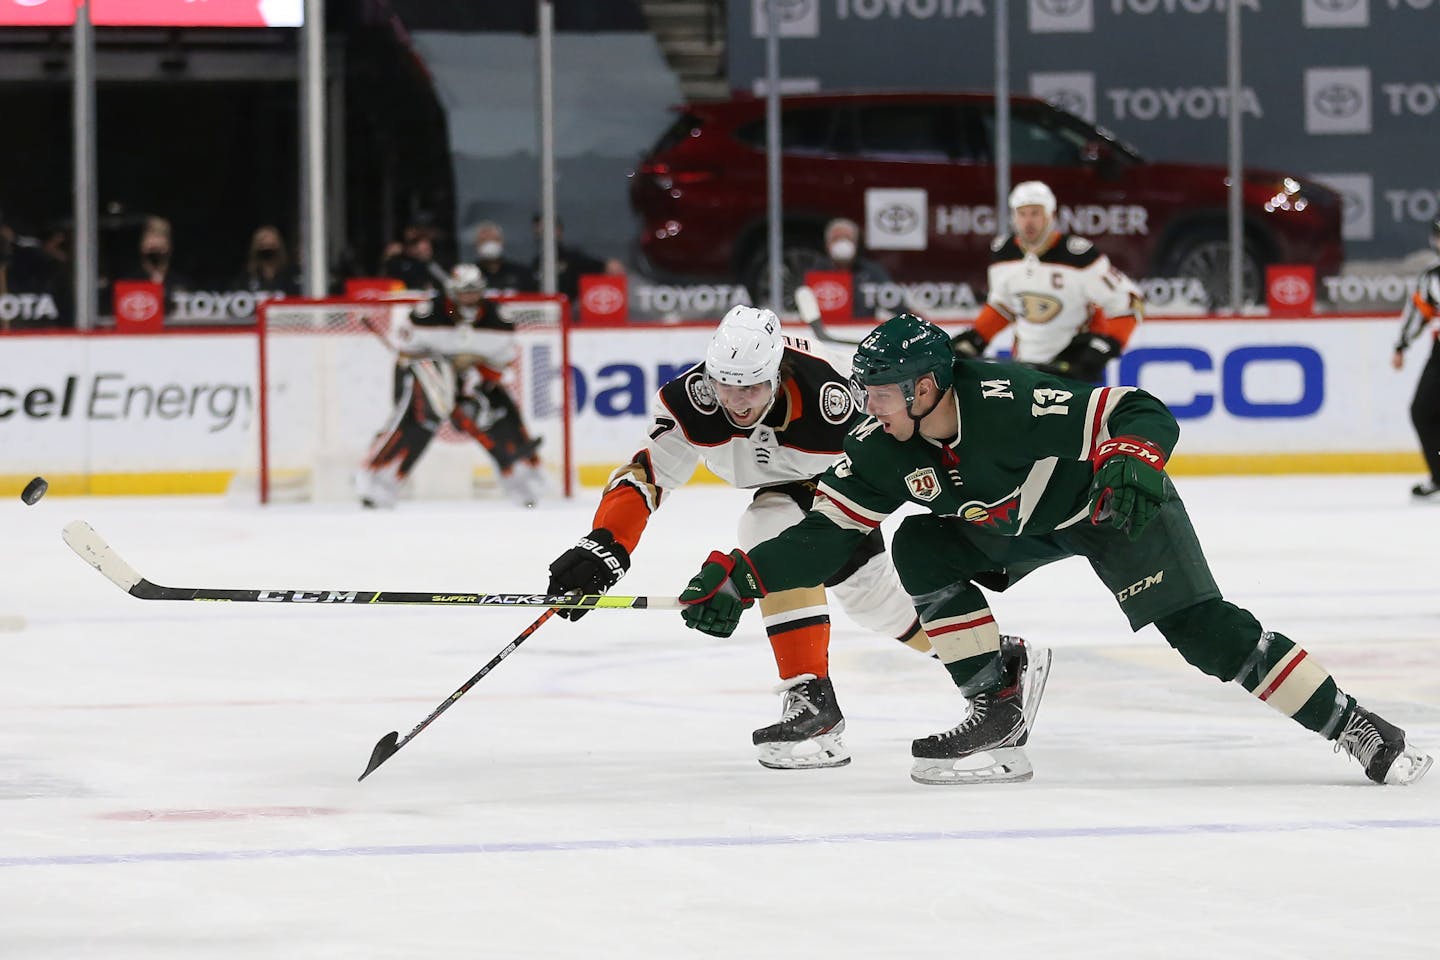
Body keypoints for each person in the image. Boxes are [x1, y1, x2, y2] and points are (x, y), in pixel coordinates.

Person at [677, 312, 1433, 787]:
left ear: (928, 387)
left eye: (879, 393)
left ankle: (1357, 725)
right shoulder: (881, 444)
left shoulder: (1008, 401)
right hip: (1016, 526)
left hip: (1110, 508)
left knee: (1206, 636)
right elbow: (827, 532)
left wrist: (1134, 455)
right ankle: (995, 706)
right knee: (919, 543)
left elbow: (1137, 408)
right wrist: (749, 576)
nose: (865, 408)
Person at [545, 305, 932, 769]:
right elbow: (648, 474)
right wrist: (606, 544)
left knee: (781, 536)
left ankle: (823, 697)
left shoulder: (832, 396)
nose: (737, 401)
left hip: (842, 488)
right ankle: (986, 659)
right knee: (874, 604)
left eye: (751, 387)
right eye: (725, 385)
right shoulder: (689, 400)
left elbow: (903, 457)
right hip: (782, 490)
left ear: (777, 374)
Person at [354, 263, 546, 509]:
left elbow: (502, 363)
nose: (470, 296)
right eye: (464, 291)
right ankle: (377, 483)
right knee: (420, 420)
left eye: (474, 290)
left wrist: (475, 373)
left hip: (475, 376)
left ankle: (524, 483)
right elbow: (406, 354)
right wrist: (440, 367)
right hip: (427, 376)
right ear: (452, 291)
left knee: (500, 413)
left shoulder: (498, 318)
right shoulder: (427, 313)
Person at [951, 181, 1143, 384]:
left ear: (1051, 215)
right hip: (1025, 370)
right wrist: (976, 338)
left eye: (1035, 213)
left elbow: (1129, 302)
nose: (1028, 222)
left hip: (1071, 371)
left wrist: (1101, 348)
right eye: (1022, 214)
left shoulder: (1078, 257)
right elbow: (1003, 307)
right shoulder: (1004, 255)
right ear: (1013, 217)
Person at [1391, 217, 1440, 500]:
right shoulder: (1431, 277)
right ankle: (1439, 475)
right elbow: (1419, 313)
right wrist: (1401, 346)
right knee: (1423, 410)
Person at [530, 215, 626, 308]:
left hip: (570, 313)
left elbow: (605, 266)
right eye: (540, 231)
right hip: (542, 313)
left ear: (559, 231)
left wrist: (607, 265)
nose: (543, 234)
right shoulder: (535, 263)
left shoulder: (572, 259)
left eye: (548, 230)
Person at [819, 217, 890, 290]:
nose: (842, 243)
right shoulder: (816, 271)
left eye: (847, 238)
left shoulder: (873, 272)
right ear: (827, 245)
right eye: (837, 238)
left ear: (856, 245)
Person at [382, 221, 451, 294]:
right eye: (423, 249)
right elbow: (384, 281)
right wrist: (387, 257)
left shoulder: (438, 262)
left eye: (428, 248)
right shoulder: (400, 263)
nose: (426, 251)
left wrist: (429, 262)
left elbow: (447, 282)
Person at [234, 225, 300, 296]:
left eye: (272, 244)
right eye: (262, 244)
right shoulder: (247, 278)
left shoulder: (291, 276)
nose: (267, 247)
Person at [471, 221, 532, 295]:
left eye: (494, 239)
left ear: (502, 242)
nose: (490, 244)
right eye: (484, 240)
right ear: (476, 244)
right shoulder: (470, 275)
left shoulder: (521, 274)